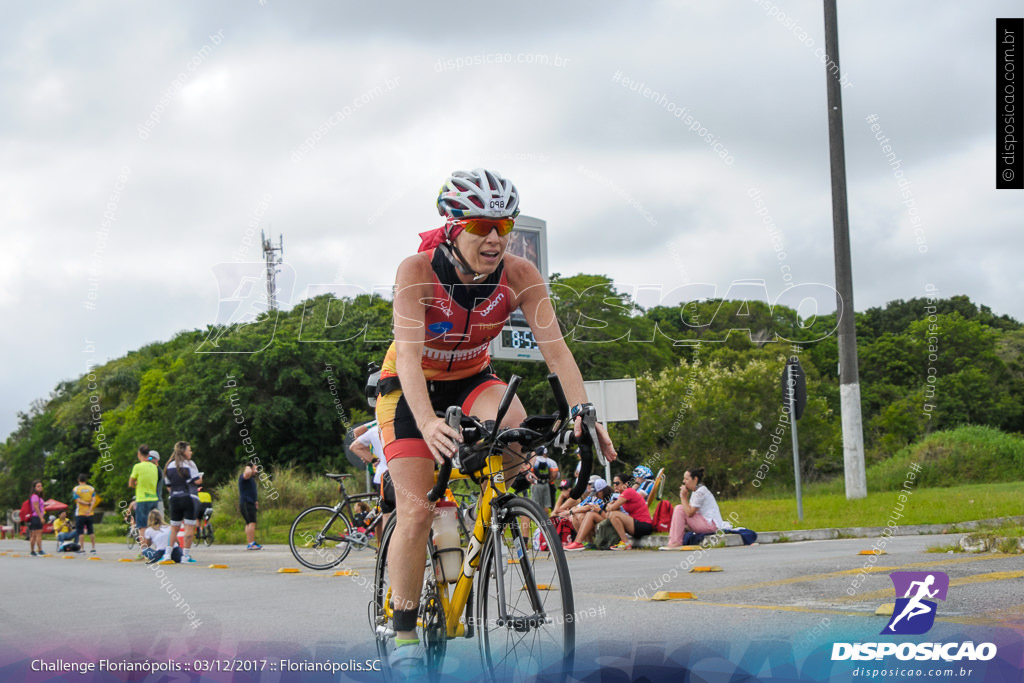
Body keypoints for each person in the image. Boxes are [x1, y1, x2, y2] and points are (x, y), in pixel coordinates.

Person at [373, 168, 616, 674]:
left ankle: (503, 517)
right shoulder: (416, 271)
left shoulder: (520, 275)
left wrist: (584, 413)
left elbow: (557, 352)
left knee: (519, 430)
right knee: (416, 511)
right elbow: (411, 360)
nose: (493, 238)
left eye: (503, 227)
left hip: (473, 378)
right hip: (409, 388)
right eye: (481, 225)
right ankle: (403, 634)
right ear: (453, 225)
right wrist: (429, 422)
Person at [662, 467, 727, 549]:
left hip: (711, 525)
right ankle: (674, 541)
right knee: (680, 509)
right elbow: (688, 511)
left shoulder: (701, 492)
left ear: (695, 479)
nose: (684, 481)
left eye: (686, 479)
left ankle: (675, 543)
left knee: (679, 508)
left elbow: (689, 513)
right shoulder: (696, 491)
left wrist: (683, 497)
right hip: (705, 522)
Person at [164, 441, 202, 563]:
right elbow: (197, 481)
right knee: (189, 526)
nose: (191, 452)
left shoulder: (168, 466)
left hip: (174, 498)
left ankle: (167, 554)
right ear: (184, 452)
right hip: (188, 498)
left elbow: (168, 485)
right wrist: (201, 478)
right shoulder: (189, 464)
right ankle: (185, 555)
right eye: (189, 450)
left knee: (174, 527)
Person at [350, 421, 387, 538]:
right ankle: (384, 548)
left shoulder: (376, 428)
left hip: (380, 475)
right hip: (382, 474)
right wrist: (371, 458)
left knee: (381, 513)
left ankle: (381, 548)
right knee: (386, 514)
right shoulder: (380, 422)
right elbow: (356, 432)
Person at [605, 472, 655, 550]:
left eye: (617, 483)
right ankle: (621, 541)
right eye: (613, 483)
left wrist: (609, 506)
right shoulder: (623, 494)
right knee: (611, 514)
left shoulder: (628, 492)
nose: (615, 485)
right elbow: (611, 508)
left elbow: (611, 508)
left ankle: (626, 543)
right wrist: (610, 506)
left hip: (643, 525)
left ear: (625, 484)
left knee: (614, 515)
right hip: (636, 524)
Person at [561, 478, 611, 550]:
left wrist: (570, 512)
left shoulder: (610, 497)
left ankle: (579, 542)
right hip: (602, 520)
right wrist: (571, 512)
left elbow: (588, 507)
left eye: (590, 484)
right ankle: (584, 542)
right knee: (577, 515)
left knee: (589, 514)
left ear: (601, 491)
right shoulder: (594, 497)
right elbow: (579, 507)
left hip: (608, 522)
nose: (595, 495)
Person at [128, 443, 161, 546]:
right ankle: (152, 547)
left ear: (139, 454)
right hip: (153, 498)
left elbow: (131, 483)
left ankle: (144, 551)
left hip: (142, 499)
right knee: (153, 525)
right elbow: (155, 485)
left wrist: (136, 484)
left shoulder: (137, 466)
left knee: (142, 526)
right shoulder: (154, 468)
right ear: (148, 454)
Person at [72, 473, 99, 554]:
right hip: (90, 513)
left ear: (78, 480)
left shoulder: (76, 489)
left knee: (80, 532)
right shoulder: (91, 488)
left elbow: (78, 500)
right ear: (86, 480)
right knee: (91, 531)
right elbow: (94, 500)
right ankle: (93, 548)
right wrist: (89, 508)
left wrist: (86, 504)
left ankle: (82, 549)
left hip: (80, 513)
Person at [238, 463, 262, 550]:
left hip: (250, 502)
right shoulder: (245, 476)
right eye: (255, 469)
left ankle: (250, 543)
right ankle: (251, 543)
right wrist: (248, 466)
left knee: (249, 523)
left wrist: (255, 501)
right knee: (252, 523)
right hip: (246, 503)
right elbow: (247, 473)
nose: (256, 471)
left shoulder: (251, 479)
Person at [27, 480, 45, 556]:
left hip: (35, 517)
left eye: (41, 486)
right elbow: (36, 508)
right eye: (38, 486)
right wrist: (41, 517)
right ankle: (39, 550)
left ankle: (33, 551)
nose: (40, 487)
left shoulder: (38, 497)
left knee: (34, 535)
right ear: (34, 488)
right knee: (37, 535)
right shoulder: (35, 496)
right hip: (36, 517)